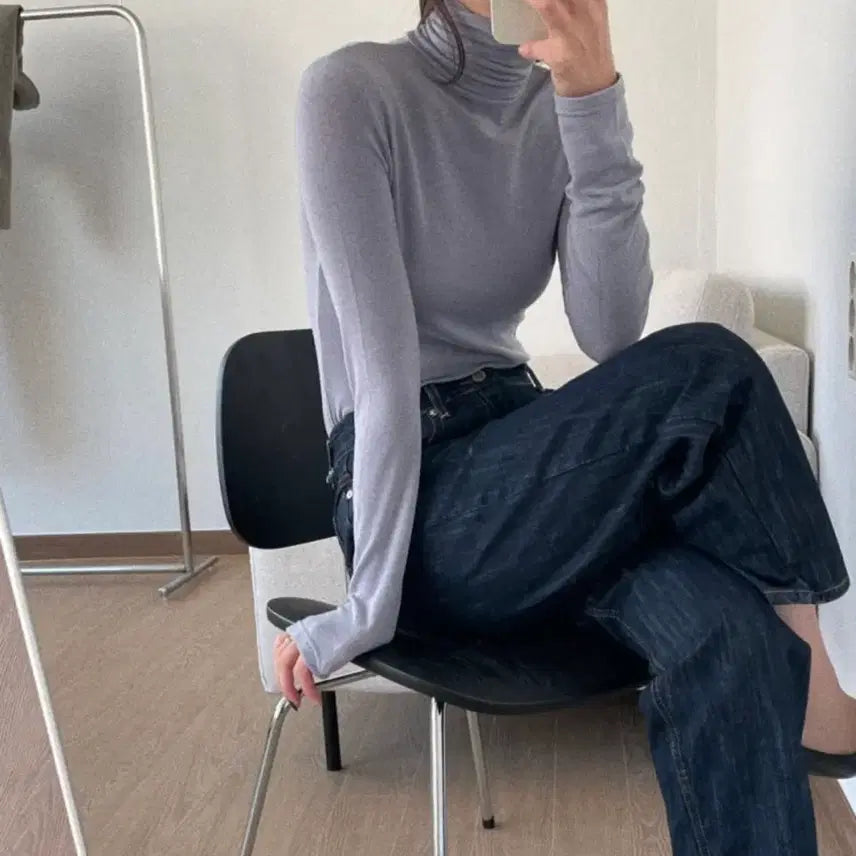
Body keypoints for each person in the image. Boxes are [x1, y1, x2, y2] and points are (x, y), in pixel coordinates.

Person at [274, 0, 855, 852]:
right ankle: (820, 680)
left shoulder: (558, 101)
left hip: (526, 466)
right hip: (425, 506)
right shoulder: (350, 90)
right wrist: (366, 606)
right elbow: (383, 374)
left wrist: (593, 101)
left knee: (728, 631)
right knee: (711, 366)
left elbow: (610, 331)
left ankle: (793, 673)